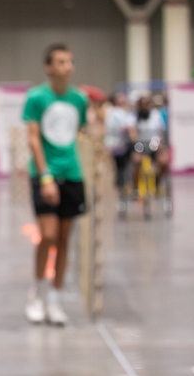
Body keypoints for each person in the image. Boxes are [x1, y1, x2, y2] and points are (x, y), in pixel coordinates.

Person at [23, 43, 89, 326]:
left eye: (70, 62)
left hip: (72, 173)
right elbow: (34, 138)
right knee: (47, 235)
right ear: (49, 67)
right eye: (61, 62)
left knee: (64, 238)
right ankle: (36, 292)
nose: (67, 67)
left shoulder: (79, 99)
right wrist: (45, 175)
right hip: (45, 174)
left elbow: (79, 132)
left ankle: (55, 297)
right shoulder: (36, 98)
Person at [104, 92, 136, 217]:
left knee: (124, 168)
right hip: (118, 145)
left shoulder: (121, 113)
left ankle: (123, 190)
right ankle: (121, 190)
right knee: (121, 168)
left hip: (121, 145)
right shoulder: (115, 113)